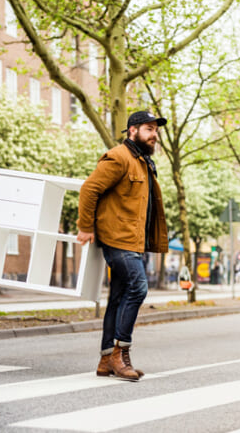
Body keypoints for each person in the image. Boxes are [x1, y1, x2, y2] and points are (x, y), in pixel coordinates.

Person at [77, 111, 168, 381]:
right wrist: (86, 227)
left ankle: (106, 359)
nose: (154, 135)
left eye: (156, 130)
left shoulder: (142, 161)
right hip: (118, 239)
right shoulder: (119, 157)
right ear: (132, 131)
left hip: (133, 240)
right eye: (149, 129)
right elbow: (89, 189)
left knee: (118, 297)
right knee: (138, 288)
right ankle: (121, 352)